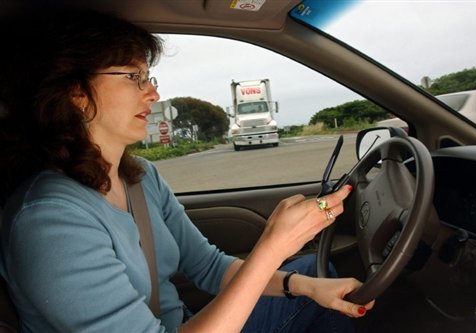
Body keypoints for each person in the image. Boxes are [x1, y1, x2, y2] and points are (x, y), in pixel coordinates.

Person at [0, 5, 374, 333]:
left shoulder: (140, 177)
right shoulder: (48, 221)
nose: (153, 93)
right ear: (76, 92)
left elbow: (210, 267)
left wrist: (302, 285)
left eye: (149, 77)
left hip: (187, 322)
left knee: (314, 272)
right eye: (134, 77)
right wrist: (271, 248)